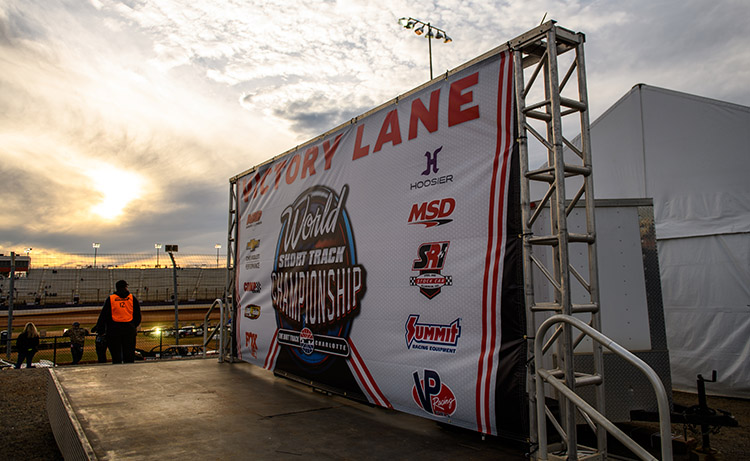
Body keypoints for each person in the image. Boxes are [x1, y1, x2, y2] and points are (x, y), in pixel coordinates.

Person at [95, 280, 141, 364]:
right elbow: (138, 316)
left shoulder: (111, 299)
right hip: (129, 330)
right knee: (129, 355)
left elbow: (104, 315)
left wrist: (100, 329)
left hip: (114, 331)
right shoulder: (132, 298)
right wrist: (133, 326)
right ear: (126, 287)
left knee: (116, 356)